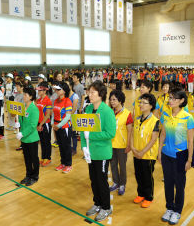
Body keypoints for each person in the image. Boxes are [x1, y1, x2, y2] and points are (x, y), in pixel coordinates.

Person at [159, 87, 194, 225]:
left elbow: (191, 141)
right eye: (170, 98)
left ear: (181, 101)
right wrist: (159, 153)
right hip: (166, 154)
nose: (170, 100)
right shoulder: (165, 114)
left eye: (174, 98)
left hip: (181, 155)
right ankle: (169, 208)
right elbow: (162, 134)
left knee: (179, 185)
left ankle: (177, 211)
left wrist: (189, 159)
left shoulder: (188, 117)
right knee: (168, 183)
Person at [81, 81, 116, 222]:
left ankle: (106, 207)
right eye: (89, 92)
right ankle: (97, 203)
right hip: (90, 152)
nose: (89, 95)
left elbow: (110, 133)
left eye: (92, 92)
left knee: (101, 181)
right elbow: (84, 131)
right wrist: (84, 147)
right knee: (93, 180)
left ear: (100, 95)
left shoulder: (107, 111)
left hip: (102, 153)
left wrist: (92, 136)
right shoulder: (88, 110)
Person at [131, 93, 160, 208]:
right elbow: (133, 134)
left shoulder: (155, 121)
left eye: (144, 103)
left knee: (147, 176)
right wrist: (133, 148)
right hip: (136, 153)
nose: (141, 105)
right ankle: (141, 194)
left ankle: (148, 197)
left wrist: (142, 152)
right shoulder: (137, 119)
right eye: (140, 102)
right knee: (138, 174)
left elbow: (153, 139)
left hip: (148, 154)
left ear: (151, 106)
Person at [108, 89, 133, 196]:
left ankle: (122, 184)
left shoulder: (127, 114)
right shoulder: (109, 112)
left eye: (114, 99)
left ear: (121, 101)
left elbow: (130, 131)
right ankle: (116, 182)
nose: (112, 102)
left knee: (122, 166)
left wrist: (128, 145)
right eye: (110, 99)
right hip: (110, 144)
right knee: (113, 165)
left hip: (122, 145)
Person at [17, 87, 40, 186]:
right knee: (26, 158)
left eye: (26, 95)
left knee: (33, 158)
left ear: (31, 97)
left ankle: (35, 176)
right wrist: (18, 124)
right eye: (24, 94)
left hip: (32, 138)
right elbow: (21, 119)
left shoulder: (34, 109)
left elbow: (32, 125)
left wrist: (23, 133)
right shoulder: (23, 107)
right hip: (24, 139)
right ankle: (28, 174)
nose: (24, 96)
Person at [52, 81, 73, 173]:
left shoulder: (67, 101)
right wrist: (52, 123)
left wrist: (58, 125)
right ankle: (63, 163)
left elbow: (68, 116)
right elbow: (53, 113)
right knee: (61, 146)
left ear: (64, 91)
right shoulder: (56, 100)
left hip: (65, 127)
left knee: (66, 146)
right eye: (56, 89)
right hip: (56, 127)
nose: (56, 91)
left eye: (58, 89)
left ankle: (68, 164)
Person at [36, 82, 53, 167]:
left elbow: (47, 115)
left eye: (40, 90)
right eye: (38, 90)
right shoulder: (38, 100)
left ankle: (48, 158)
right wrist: (37, 124)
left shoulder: (48, 101)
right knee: (42, 141)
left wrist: (41, 124)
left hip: (45, 124)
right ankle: (43, 157)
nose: (38, 92)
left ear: (45, 91)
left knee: (47, 141)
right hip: (39, 123)